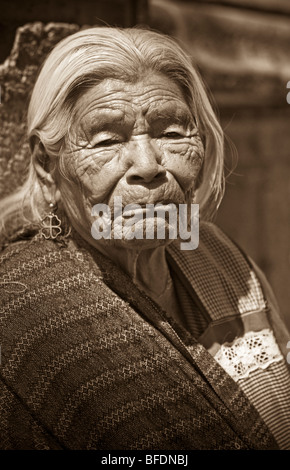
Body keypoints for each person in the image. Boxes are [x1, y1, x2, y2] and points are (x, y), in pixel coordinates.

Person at [0, 26, 289, 451]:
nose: (148, 164)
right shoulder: (23, 308)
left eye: (172, 133)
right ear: (47, 166)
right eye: (106, 140)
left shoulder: (221, 256)